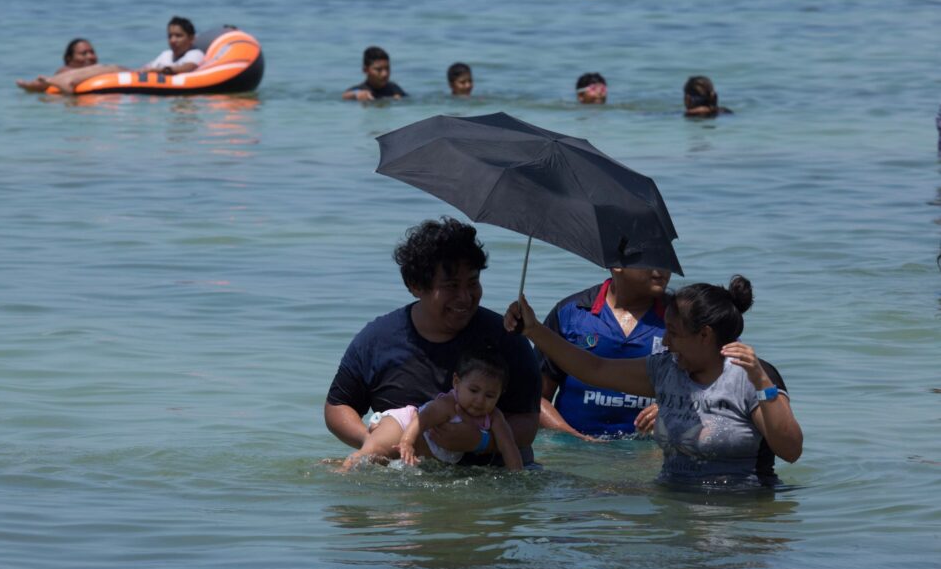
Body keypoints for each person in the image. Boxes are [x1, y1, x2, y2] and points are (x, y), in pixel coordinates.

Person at [506, 275, 803, 485]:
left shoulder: (751, 377)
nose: (665, 341)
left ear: (704, 335)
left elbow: (791, 451)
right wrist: (532, 330)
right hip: (673, 506)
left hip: (740, 512)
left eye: (673, 332)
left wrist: (763, 384)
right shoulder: (665, 370)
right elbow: (595, 368)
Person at [326, 217, 541, 466]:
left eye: (473, 283)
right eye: (450, 286)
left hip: (488, 479)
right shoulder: (377, 340)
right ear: (416, 286)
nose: (465, 297)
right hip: (405, 480)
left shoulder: (507, 339)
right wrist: (381, 444)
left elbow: (528, 424)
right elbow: (337, 407)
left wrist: (481, 442)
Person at [340, 344, 523, 471]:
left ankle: (336, 464)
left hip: (422, 447)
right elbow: (423, 419)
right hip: (403, 424)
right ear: (456, 382)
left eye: (490, 395)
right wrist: (406, 441)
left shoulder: (495, 417)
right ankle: (346, 468)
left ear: (500, 394)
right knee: (371, 453)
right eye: (474, 390)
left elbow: (509, 446)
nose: (480, 400)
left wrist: (518, 476)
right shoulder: (448, 404)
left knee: (381, 463)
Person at [538, 267, 670, 441]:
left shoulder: (681, 318)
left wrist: (673, 407)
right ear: (618, 265)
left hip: (649, 453)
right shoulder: (570, 313)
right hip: (574, 448)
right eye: (651, 261)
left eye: (665, 261)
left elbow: (707, 388)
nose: (660, 271)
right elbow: (534, 397)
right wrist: (571, 436)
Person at [15, 38, 104, 91]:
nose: (90, 56)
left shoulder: (102, 69)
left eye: (92, 52)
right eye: (83, 54)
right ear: (69, 58)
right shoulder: (66, 71)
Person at [342, 46, 407, 101]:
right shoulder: (361, 90)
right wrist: (356, 94)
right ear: (365, 70)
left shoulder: (394, 88)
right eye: (378, 70)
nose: (385, 74)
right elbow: (345, 95)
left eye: (387, 68)